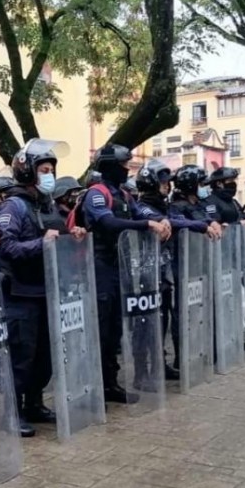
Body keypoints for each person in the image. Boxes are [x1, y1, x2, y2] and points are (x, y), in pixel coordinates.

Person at [0, 141, 86, 437]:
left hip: (46, 291)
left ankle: (34, 403)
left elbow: (55, 235)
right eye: (43, 170)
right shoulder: (14, 206)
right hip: (20, 295)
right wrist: (41, 243)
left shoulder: (45, 205)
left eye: (51, 170)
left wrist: (71, 233)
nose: (49, 175)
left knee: (44, 357)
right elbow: (5, 246)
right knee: (22, 358)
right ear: (27, 172)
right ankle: (14, 412)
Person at [80, 144, 170, 403]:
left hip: (119, 269)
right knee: (101, 331)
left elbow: (143, 211)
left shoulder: (124, 195)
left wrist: (159, 219)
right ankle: (95, 386)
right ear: (109, 166)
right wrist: (146, 224)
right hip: (99, 270)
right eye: (122, 165)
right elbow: (107, 222)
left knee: (114, 332)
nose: (126, 170)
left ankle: (110, 384)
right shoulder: (96, 194)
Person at [134, 159, 217, 383]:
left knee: (162, 322)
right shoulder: (141, 206)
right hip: (145, 273)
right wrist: (200, 225)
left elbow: (180, 219)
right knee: (145, 325)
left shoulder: (164, 206)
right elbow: (170, 221)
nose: (167, 186)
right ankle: (142, 373)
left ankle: (159, 366)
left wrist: (209, 222)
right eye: (162, 183)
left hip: (163, 272)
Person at [169, 165, 223, 236]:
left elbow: (202, 217)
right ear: (191, 186)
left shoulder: (198, 205)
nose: (205, 188)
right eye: (201, 185)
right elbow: (182, 222)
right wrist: (204, 227)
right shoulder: (176, 207)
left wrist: (212, 222)